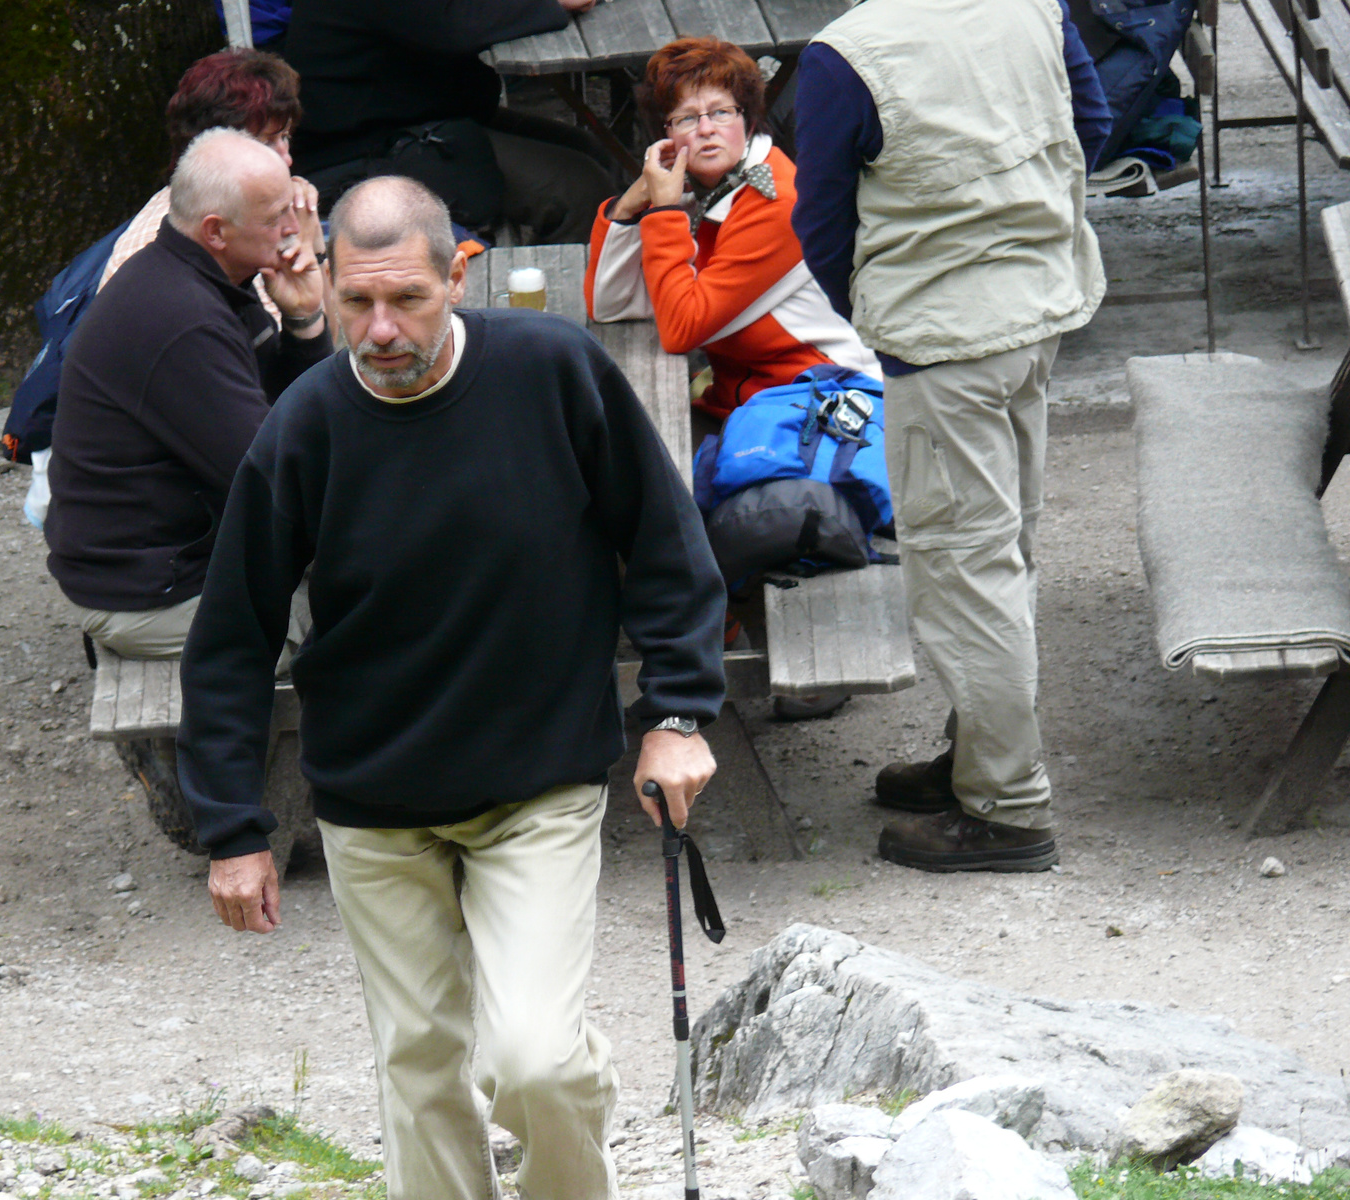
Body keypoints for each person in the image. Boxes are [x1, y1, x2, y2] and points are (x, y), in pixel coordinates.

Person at [175, 175, 726, 1199]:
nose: (380, 330)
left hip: (535, 785)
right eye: (355, 304)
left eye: (408, 301)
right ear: (324, 285)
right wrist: (232, 827)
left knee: (536, 1062)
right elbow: (231, 633)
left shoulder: (552, 371)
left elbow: (662, 543)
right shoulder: (303, 425)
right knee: (420, 1070)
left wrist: (677, 713)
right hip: (375, 805)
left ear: (458, 275)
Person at [792, 0, 1112, 872]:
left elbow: (817, 220)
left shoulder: (842, 57)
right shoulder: (1034, 8)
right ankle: (979, 761)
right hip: (1036, 314)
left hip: (943, 343)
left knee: (968, 577)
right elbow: (1092, 122)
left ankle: (1008, 810)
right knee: (1003, 551)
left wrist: (882, 313)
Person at [45, 128, 330, 659]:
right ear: (216, 231)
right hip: (152, 592)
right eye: (275, 219)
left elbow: (295, 421)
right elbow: (277, 476)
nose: (296, 231)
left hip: (180, 554)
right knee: (358, 633)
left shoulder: (211, 277)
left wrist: (305, 321)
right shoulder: (181, 320)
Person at [586, 36, 878, 426]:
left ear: (748, 119)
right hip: (745, 402)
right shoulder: (696, 187)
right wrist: (627, 208)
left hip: (824, 403)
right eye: (687, 118)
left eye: (721, 112)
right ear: (667, 136)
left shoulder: (776, 202)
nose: (707, 129)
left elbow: (680, 328)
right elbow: (611, 306)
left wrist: (665, 211)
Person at [284, 0, 615, 242]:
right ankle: (556, 322)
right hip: (361, 147)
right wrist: (551, 5)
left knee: (590, 150)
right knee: (581, 188)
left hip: (426, 113)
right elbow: (456, 25)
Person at [101, 48, 323, 315]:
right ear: (214, 146)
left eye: (285, 136)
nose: (286, 160)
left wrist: (312, 243)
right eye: (265, 143)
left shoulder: (230, 209)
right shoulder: (204, 238)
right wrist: (306, 246)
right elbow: (323, 344)